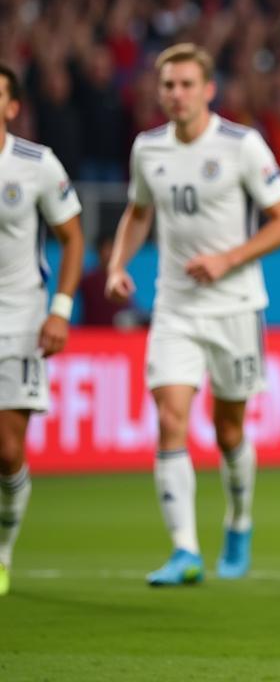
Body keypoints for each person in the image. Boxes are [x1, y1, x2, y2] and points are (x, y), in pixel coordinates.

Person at [105, 44, 280, 586]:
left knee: (228, 429)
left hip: (235, 306)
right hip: (174, 306)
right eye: (168, 85)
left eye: (187, 84)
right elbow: (139, 212)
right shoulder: (148, 149)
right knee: (170, 416)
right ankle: (184, 550)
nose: (177, 94)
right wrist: (119, 263)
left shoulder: (241, 146)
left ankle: (238, 522)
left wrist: (227, 259)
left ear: (208, 90)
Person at [0, 62, 84, 596]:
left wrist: (60, 308)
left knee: (8, 451)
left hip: (19, 318)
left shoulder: (35, 164)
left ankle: (3, 552)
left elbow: (72, 238)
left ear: (11, 107)